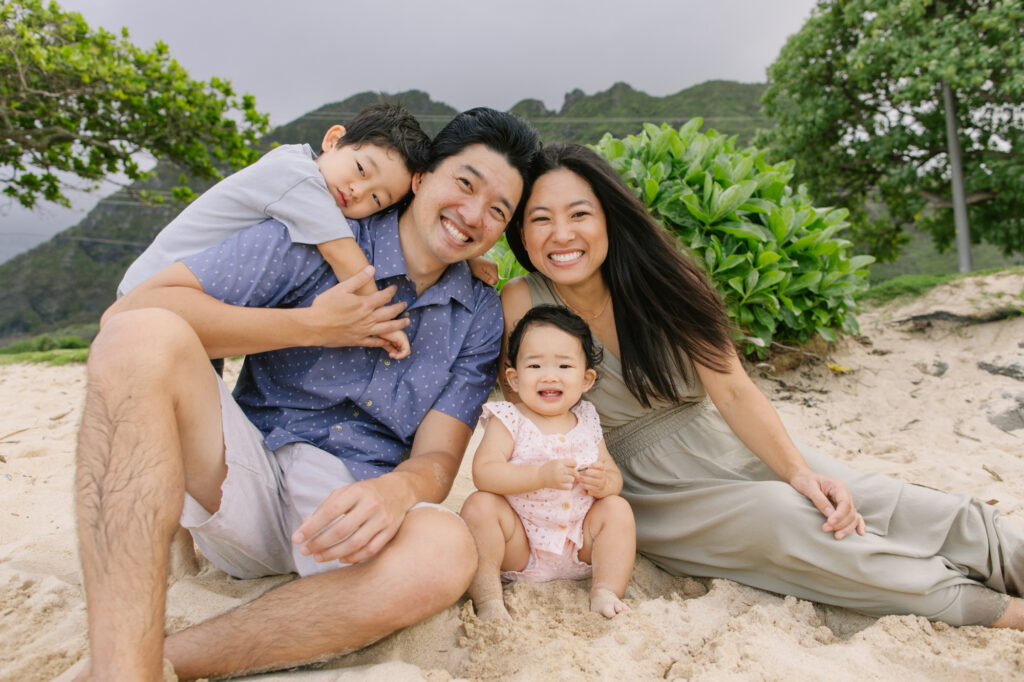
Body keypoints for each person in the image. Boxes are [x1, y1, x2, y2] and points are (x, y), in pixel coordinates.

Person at [72, 107, 541, 680]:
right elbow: (130, 311)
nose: (473, 215)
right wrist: (312, 326)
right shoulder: (317, 230)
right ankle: (117, 668)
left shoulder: (479, 314)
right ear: (422, 178)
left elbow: (439, 459)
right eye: (464, 184)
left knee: (447, 548)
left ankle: (166, 663)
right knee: (140, 338)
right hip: (242, 476)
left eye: (497, 210)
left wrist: (397, 491)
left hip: (349, 511)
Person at [499, 143, 1024, 630]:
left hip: (728, 441)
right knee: (791, 521)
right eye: (539, 219)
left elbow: (733, 392)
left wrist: (798, 471)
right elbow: (498, 387)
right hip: (645, 490)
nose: (561, 234)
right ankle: (994, 609)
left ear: (610, 217)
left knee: (881, 500)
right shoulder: (520, 301)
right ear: (521, 235)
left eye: (579, 214)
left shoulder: (661, 278)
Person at [118, 103, 497, 361]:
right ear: (333, 140)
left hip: (206, 304)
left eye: (377, 198)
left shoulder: (325, 196)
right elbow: (345, 255)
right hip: (153, 291)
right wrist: (381, 321)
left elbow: (401, 229)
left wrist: (463, 256)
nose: (357, 192)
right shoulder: (297, 176)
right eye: (362, 170)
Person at [461, 305, 635, 621]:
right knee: (479, 506)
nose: (549, 375)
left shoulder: (587, 418)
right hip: (521, 545)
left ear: (586, 379)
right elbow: (484, 473)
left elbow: (613, 474)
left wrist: (604, 482)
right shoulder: (509, 419)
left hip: (579, 543)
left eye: (565, 365)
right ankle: (488, 599)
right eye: (536, 364)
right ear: (513, 378)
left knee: (617, 508)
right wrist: (540, 476)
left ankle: (605, 589)